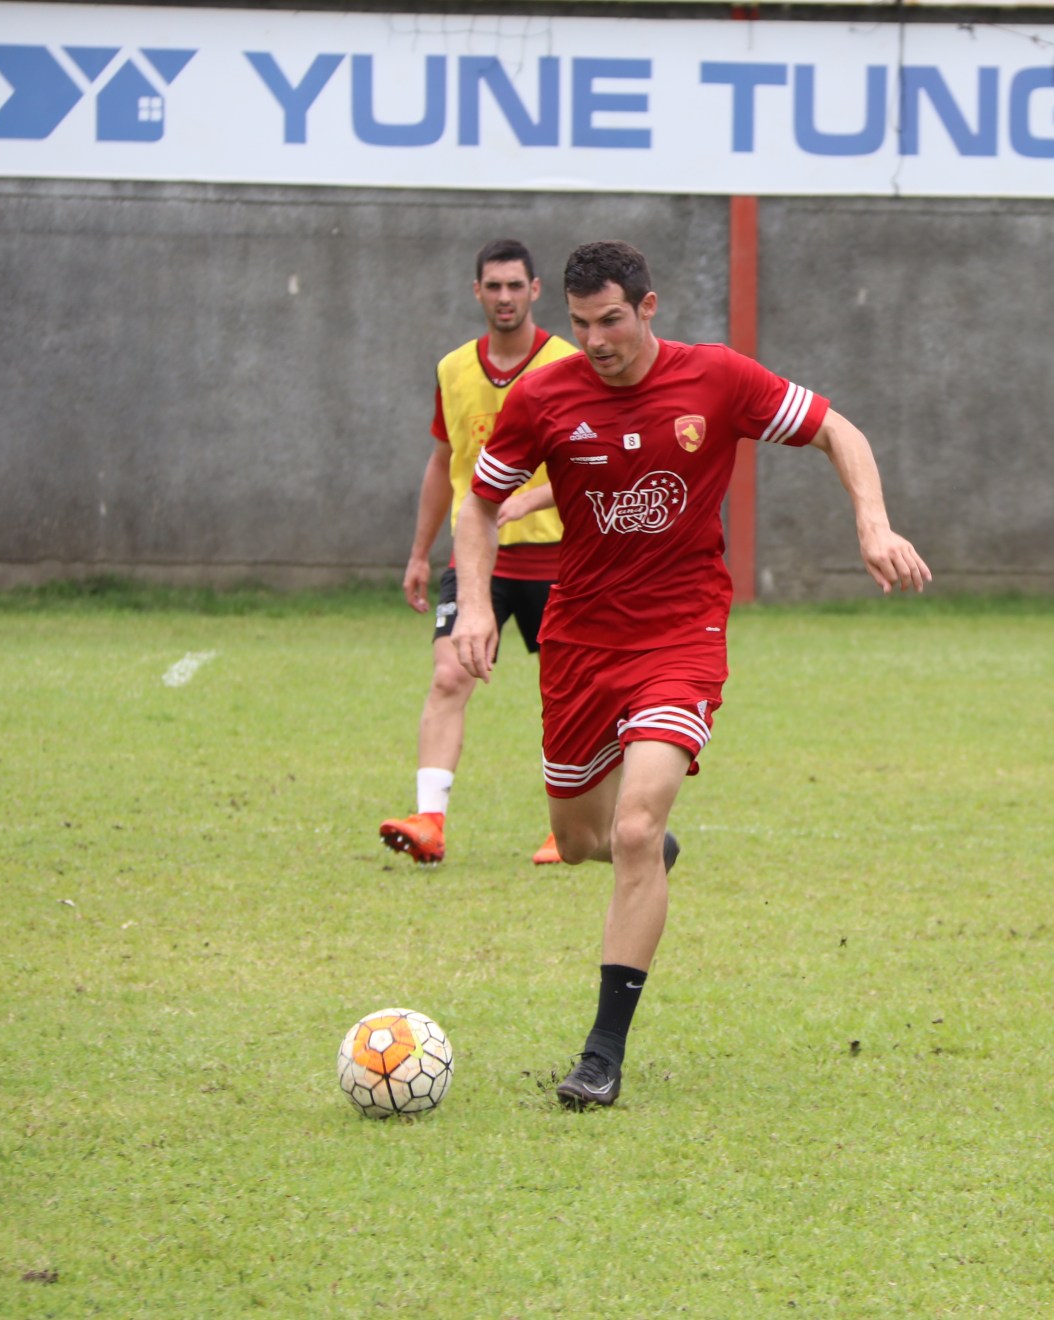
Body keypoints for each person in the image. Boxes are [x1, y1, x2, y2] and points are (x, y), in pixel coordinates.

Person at [453, 239, 930, 1110]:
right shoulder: (544, 395)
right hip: (580, 642)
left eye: (610, 321)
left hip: (681, 633)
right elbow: (479, 501)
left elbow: (836, 428)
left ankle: (601, 1055)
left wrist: (872, 522)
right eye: (580, 323)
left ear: (648, 307)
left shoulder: (716, 378)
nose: (594, 340)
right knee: (582, 840)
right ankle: (643, 851)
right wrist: (478, 605)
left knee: (634, 830)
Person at [379, 239, 579, 867]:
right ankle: (429, 821)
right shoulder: (453, 369)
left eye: (515, 286)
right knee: (448, 676)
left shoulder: (571, 364)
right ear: (477, 293)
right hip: (476, 562)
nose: (504, 297)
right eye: (492, 286)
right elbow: (444, 462)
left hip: (560, 560)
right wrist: (419, 551)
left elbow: (589, 465)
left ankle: (572, 829)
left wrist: (528, 501)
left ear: (536, 290)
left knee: (573, 694)